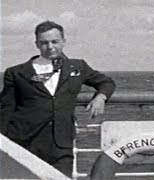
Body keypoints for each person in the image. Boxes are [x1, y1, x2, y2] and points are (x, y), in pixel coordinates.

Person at [0, 21, 115, 177]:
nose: (50, 46)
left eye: (55, 41)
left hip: (61, 145)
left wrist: (100, 97)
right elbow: (6, 110)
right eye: (44, 42)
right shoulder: (16, 73)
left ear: (63, 42)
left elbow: (106, 82)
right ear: (37, 44)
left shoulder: (77, 67)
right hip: (25, 142)